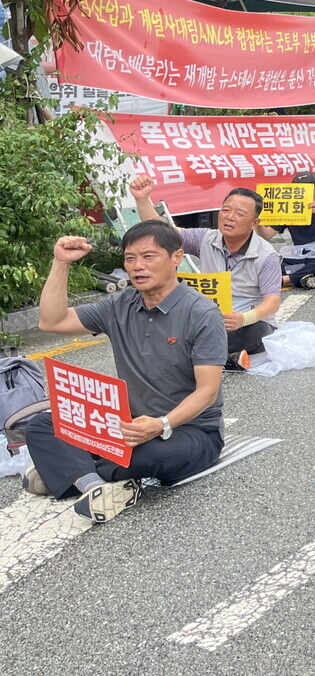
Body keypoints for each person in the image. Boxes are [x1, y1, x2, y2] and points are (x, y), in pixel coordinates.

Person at [22, 222, 225, 522]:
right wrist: (61, 263)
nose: (137, 267)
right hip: (127, 426)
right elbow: (52, 322)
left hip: (189, 432)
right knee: (41, 424)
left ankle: (70, 471)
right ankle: (94, 485)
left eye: (148, 257)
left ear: (176, 257)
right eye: (130, 259)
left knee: (153, 455)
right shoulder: (120, 304)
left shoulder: (202, 313)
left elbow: (207, 392)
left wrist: (161, 424)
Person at [131, 175, 281, 367]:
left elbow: (273, 302)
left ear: (254, 223)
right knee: (167, 322)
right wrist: (142, 199)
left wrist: (243, 318)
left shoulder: (266, 255)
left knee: (249, 332)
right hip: (208, 316)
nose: (230, 217)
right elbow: (163, 232)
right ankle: (221, 359)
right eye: (225, 210)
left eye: (240, 214)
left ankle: (195, 356)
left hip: (244, 322)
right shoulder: (206, 238)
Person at [257, 171, 315, 289]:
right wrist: (258, 221)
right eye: (298, 189)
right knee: (270, 261)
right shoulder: (288, 210)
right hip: (301, 259)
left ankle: (286, 279)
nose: (302, 192)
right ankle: (311, 276)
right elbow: (266, 235)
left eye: (306, 188)